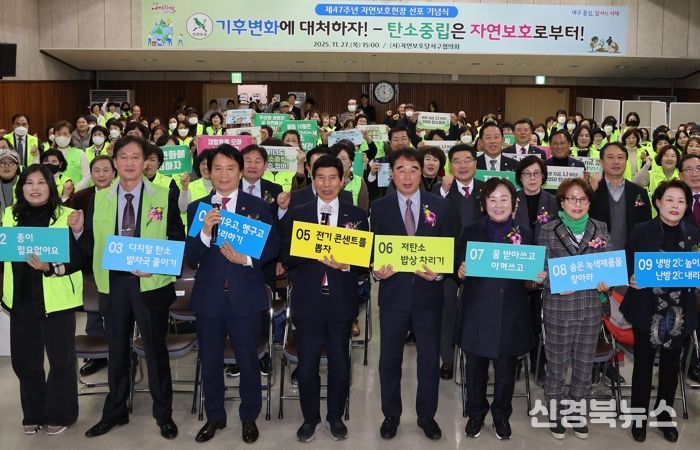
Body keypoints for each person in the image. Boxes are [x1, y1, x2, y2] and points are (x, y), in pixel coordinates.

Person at [80, 135, 185, 440]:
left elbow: (177, 238)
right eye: (123, 157)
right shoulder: (99, 198)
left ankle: (163, 413)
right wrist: (77, 231)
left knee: (155, 350)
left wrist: (158, 264)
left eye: (135, 157)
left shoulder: (163, 195)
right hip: (114, 284)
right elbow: (90, 244)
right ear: (115, 162)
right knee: (116, 351)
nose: (129, 162)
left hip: (150, 285)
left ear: (146, 162)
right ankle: (115, 412)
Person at [185, 144, 279, 444]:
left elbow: (273, 246)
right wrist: (204, 232)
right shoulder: (198, 208)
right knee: (210, 360)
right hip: (209, 297)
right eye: (217, 169)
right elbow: (191, 256)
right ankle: (215, 416)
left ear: (240, 172)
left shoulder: (258, 206)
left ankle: (249, 417)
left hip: (245, 296)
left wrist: (247, 259)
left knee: (248, 361)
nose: (223, 174)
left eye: (230, 168)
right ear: (208, 172)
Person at [280, 154, 368, 442]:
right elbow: (286, 256)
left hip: (341, 300)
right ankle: (310, 418)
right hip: (308, 301)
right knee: (306, 366)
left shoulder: (356, 215)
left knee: (340, 364)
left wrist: (345, 264)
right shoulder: (298, 213)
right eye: (321, 178)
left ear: (342, 181)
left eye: (333, 178)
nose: (327, 184)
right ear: (312, 179)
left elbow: (364, 260)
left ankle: (335, 417)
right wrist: (311, 250)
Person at [371, 148, 454, 441]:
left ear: (423, 172)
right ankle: (391, 415)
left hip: (428, 296)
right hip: (393, 297)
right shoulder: (379, 208)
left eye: (413, 169)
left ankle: (426, 416)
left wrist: (440, 273)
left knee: (429, 361)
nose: (407, 176)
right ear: (391, 173)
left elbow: (450, 248)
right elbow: (372, 251)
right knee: (389, 360)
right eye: (401, 169)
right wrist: (376, 271)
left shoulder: (440, 206)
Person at [1, 164, 87, 436]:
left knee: (61, 361)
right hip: (21, 300)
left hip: (56, 300)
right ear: (21, 187)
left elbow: (81, 257)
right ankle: (34, 413)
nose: (35, 188)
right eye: (29, 183)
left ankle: (61, 413)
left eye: (41, 182)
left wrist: (52, 265)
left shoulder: (67, 215)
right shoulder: (9, 214)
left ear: (50, 186)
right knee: (25, 362)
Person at [456, 178, 539, 441]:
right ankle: (476, 413)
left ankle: (501, 414)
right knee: (475, 369)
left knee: (506, 372)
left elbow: (529, 280)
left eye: (504, 199)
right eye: (492, 199)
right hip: (478, 312)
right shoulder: (470, 231)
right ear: (484, 204)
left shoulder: (526, 234)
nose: (498, 204)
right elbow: (458, 268)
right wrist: (460, 270)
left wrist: (536, 278)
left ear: (514, 204)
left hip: (511, 313)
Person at [622, 180, 700, 443]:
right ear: (657, 202)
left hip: (679, 312)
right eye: (669, 200)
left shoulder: (694, 235)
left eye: (681, 201)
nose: (675, 206)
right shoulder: (641, 230)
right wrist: (630, 277)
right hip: (647, 309)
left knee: (670, 368)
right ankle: (638, 419)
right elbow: (627, 264)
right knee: (643, 367)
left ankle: (665, 417)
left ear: (687, 206)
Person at [537, 178, 610, 440]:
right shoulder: (548, 229)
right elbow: (541, 270)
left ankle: (577, 411)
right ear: (562, 202)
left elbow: (608, 265)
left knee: (584, 365)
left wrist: (607, 282)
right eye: (571, 199)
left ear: (589, 202)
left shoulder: (600, 228)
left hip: (590, 307)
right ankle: (556, 411)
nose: (577, 204)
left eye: (583, 199)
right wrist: (555, 283)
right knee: (557, 364)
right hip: (559, 307)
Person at [433, 144, 483, 380]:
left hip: (479, 261)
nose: (462, 165)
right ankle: (447, 358)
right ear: (449, 165)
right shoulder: (438, 190)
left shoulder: (487, 189)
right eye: (457, 161)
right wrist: (443, 192)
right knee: (447, 310)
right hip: (447, 260)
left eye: (467, 160)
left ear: (475, 163)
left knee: (478, 311)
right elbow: (430, 220)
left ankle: (476, 357)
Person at [69, 156, 117, 376]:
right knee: (94, 311)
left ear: (114, 172)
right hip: (90, 264)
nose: (101, 174)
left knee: (119, 312)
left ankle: (121, 352)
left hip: (118, 263)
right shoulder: (81, 197)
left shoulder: (123, 194)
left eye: (106, 170)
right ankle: (97, 357)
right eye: (96, 170)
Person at [514, 155, 558, 381]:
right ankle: (515, 361)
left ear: (543, 176)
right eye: (527, 174)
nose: (532, 178)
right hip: (517, 268)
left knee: (539, 320)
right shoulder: (512, 199)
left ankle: (538, 363)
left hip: (544, 270)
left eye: (536, 173)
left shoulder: (554, 201)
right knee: (516, 318)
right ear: (520, 177)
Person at [590, 142, 652, 251]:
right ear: (601, 162)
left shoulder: (639, 192)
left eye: (620, 157)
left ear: (626, 162)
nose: (616, 162)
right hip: (599, 255)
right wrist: (590, 191)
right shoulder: (593, 191)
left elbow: (646, 227)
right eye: (610, 157)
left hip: (631, 254)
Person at [331, 140, 370, 211]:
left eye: (343, 159)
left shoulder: (359, 182)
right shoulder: (327, 180)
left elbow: (363, 212)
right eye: (336, 159)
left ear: (351, 161)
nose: (339, 162)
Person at [52, 121, 91, 191]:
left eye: (65, 134)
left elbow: (87, 176)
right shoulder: (49, 155)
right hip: (54, 194)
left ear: (70, 135)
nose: (61, 137)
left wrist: (74, 190)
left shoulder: (80, 153)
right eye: (58, 134)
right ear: (54, 136)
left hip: (76, 193)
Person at [0, 146, 21, 217]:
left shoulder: (25, 184)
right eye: (2, 163)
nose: (6, 166)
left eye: (11, 163)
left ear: (17, 166)